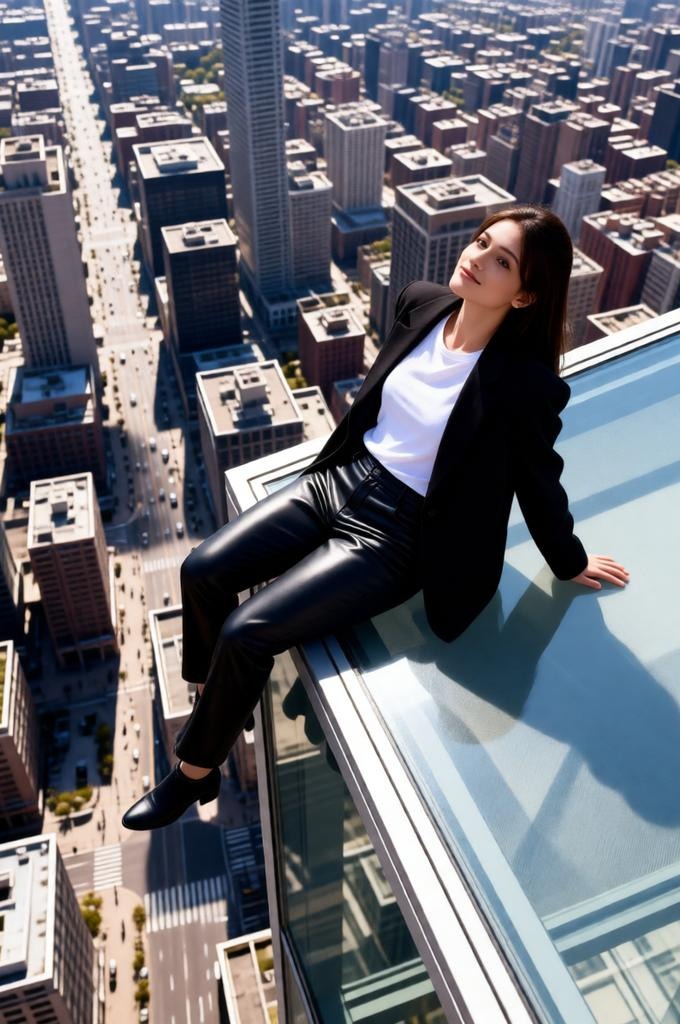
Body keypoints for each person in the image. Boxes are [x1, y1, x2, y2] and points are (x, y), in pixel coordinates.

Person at [122, 203, 630, 831]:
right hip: (338, 480)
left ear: (525, 295)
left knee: (247, 633)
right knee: (202, 571)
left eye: (502, 261)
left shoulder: (524, 385)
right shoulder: (421, 305)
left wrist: (569, 560)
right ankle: (214, 701)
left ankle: (194, 773)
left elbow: (538, 480)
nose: (476, 258)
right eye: (480, 242)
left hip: (397, 534)